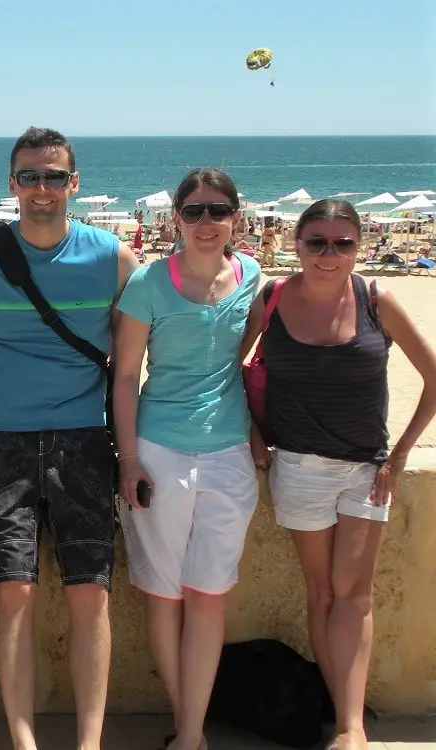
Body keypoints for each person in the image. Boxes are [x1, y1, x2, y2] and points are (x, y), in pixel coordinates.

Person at [0, 127, 139, 750]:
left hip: (83, 439)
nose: (41, 189)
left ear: (73, 183)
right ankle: (24, 742)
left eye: (53, 176)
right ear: (11, 184)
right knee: (14, 591)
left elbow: (135, 358)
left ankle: (90, 742)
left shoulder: (112, 257)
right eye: (29, 176)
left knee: (91, 592)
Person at [245, 199, 436, 750]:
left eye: (343, 243)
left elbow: (432, 377)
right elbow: (225, 370)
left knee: (356, 596)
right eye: (317, 242)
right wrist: (256, 436)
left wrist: (399, 457)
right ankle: (343, 707)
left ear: (359, 247)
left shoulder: (378, 300)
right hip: (299, 466)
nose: (329, 255)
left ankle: (353, 728)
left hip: (367, 469)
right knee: (323, 593)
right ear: (295, 244)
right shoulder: (273, 299)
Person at [113, 169, 260, 750]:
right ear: (176, 216)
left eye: (217, 211)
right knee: (165, 594)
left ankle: (191, 734)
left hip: (228, 452)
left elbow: (243, 350)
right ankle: (190, 733)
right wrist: (128, 459)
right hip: (158, 451)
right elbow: (125, 376)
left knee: (208, 594)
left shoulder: (251, 274)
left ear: (235, 219)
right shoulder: (149, 283)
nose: (206, 223)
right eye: (195, 211)